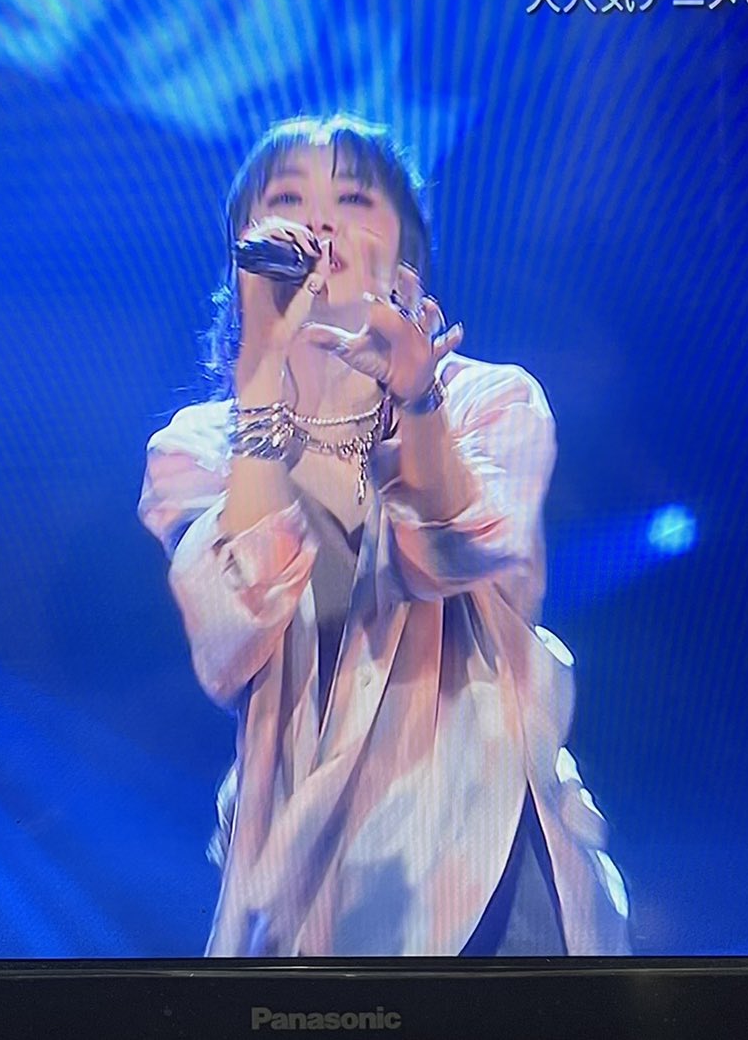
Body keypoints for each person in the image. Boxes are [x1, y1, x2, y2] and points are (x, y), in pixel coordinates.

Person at [138, 115, 629, 957]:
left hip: (480, 847)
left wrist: (419, 402)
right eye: (288, 198)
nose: (319, 222)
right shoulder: (201, 447)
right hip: (301, 880)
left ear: (409, 251)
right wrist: (261, 375)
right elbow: (232, 638)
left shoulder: (490, 401)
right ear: (243, 249)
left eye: (354, 199)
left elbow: (456, 551)